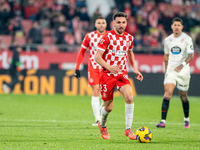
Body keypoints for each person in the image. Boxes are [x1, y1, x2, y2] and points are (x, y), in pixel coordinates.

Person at [95, 12, 143, 140]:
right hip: (107, 74)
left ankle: (128, 129)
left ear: (126, 23)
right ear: (113, 23)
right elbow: (97, 57)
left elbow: (130, 53)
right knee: (108, 107)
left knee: (129, 98)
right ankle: (103, 125)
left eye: (123, 22)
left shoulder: (129, 38)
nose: (121, 25)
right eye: (118, 22)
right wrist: (109, 67)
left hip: (122, 73)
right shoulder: (107, 37)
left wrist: (135, 69)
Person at [156, 17, 194, 128]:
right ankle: (163, 121)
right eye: (175, 25)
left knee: (183, 97)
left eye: (179, 25)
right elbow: (166, 56)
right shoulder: (167, 40)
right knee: (168, 92)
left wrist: (182, 65)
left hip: (184, 71)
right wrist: (166, 70)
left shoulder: (187, 39)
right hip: (171, 70)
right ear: (171, 26)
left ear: (182, 27)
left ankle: (186, 119)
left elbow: (191, 55)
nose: (176, 27)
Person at [74, 16, 108, 126]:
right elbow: (82, 51)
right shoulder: (90, 36)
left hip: (106, 67)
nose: (101, 25)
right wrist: (77, 67)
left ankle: (102, 116)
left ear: (106, 24)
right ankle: (98, 119)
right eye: (99, 23)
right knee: (96, 89)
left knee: (106, 93)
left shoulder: (111, 36)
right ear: (95, 25)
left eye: (103, 23)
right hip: (93, 67)